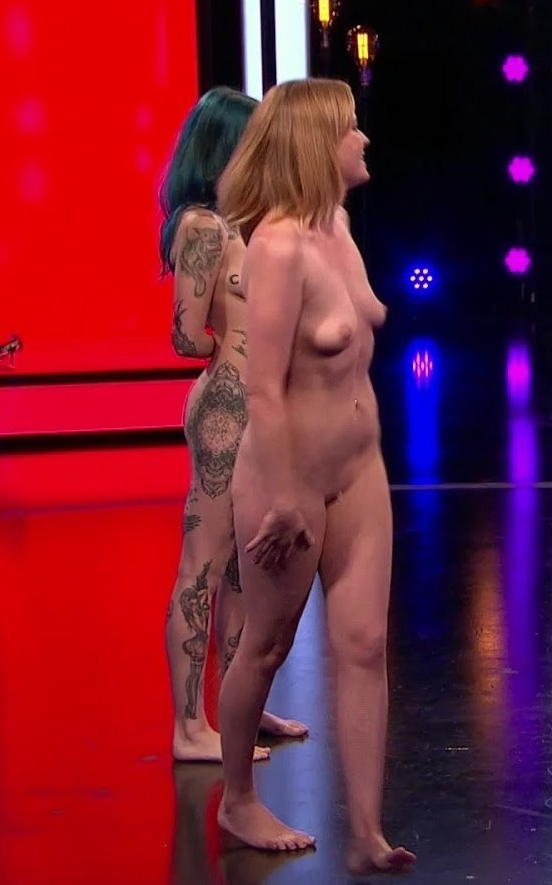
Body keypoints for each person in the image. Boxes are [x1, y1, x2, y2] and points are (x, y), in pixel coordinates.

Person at [213, 77, 415, 875]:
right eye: (351, 128)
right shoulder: (278, 246)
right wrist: (291, 496)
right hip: (285, 479)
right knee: (265, 645)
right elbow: (263, 388)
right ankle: (236, 800)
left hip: (360, 468)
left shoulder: (338, 225)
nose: (364, 140)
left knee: (364, 644)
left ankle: (366, 832)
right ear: (316, 144)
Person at [158, 86, 307, 764]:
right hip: (225, 406)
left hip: (259, 408)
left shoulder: (243, 226)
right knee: (206, 565)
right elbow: (186, 337)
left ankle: (239, 708)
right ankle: (191, 727)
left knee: (247, 568)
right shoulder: (202, 229)